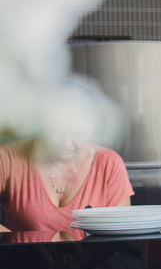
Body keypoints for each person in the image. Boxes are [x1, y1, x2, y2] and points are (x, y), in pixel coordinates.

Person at [0, 95, 133, 235]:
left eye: (77, 133)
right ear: (44, 124)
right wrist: (18, 245)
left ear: (91, 129)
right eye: (58, 131)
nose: (66, 143)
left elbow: (120, 233)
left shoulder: (109, 164)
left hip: (92, 256)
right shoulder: (7, 158)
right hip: (22, 256)